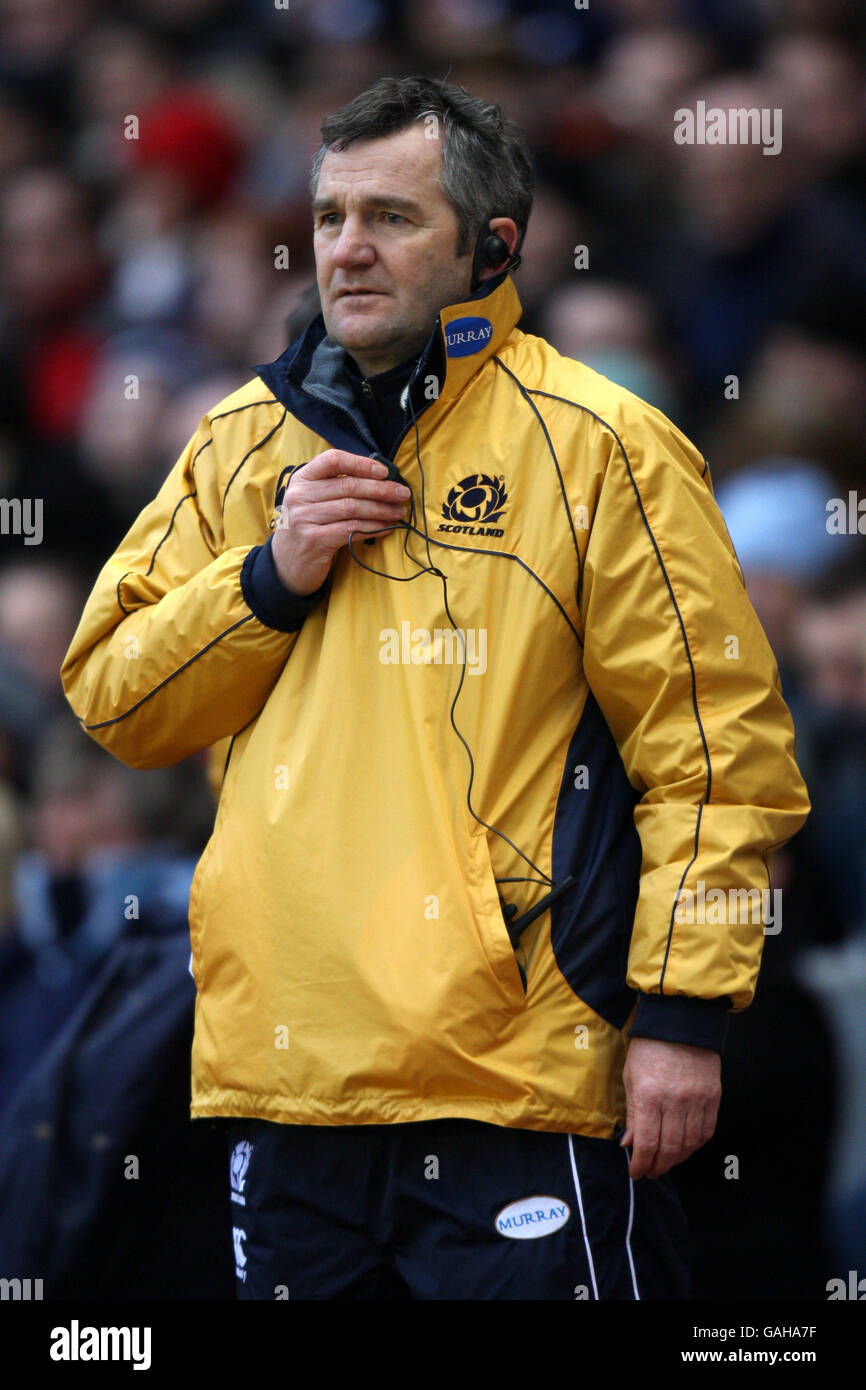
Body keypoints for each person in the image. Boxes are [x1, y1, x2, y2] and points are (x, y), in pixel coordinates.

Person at [61, 76, 810, 1300]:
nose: (347, 248)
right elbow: (114, 699)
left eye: (392, 218)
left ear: (491, 248)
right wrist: (267, 577)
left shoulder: (603, 444)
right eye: (329, 216)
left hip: (521, 1082)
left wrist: (683, 1017)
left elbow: (715, 753)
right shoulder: (239, 444)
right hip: (288, 1082)